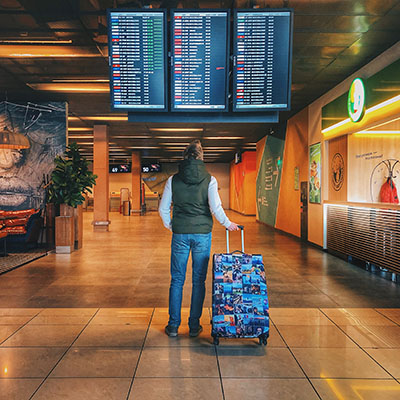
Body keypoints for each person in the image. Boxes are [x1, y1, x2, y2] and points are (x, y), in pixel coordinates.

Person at [159, 140, 239, 337]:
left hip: (180, 234)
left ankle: (173, 326)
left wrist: (172, 225)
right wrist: (228, 224)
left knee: (177, 279)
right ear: (201, 157)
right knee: (198, 281)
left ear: (184, 157)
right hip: (203, 234)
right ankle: (194, 326)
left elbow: (163, 208)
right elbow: (215, 208)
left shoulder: (172, 180)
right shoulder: (210, 180)